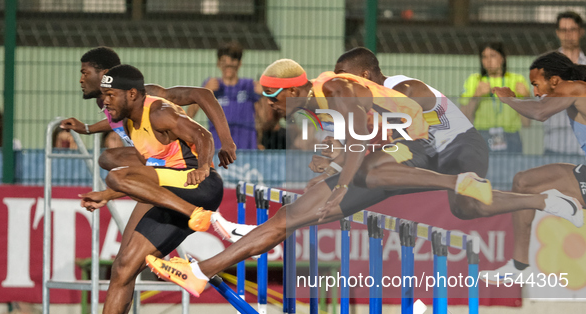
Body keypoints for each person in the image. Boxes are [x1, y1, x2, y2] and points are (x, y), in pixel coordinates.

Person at [147, 58, 582, 298]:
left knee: (383, 179)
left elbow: (362, 143)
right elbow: (347, 142)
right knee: (296, 215)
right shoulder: (321, 105)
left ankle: (475, 188)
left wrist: (339, 177)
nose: (269, 108)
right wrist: (330, 164)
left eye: (272, 100)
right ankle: (203, 271)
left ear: (293, 90)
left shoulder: (343, 88)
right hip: (405, 148)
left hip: (454, 145)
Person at [51, 65, 224, 314]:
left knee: (114, 170)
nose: (105, 102)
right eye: (102, 96)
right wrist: (107, 194)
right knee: (123, 268)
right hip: (170, 191)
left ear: (132, 93)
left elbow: (201, 133)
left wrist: (206, 163)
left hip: (198, 185)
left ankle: (197, 218)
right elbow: (151, 173)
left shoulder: (157, 109)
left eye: (110, 95)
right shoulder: (126, 122)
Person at [482, 51, 586, 282]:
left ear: (555, 80)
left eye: (536, 85)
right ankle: (518, 266)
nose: (535, 92)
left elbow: (540, 113)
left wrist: (509, 98)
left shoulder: (574, 88)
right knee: (523, 181)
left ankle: (564, 201)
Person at [60, 46, 236, 171]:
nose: (81, 80)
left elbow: (203, 95)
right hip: (156, 162)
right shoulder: (109, 102)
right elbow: (116, 122)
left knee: (114, 167)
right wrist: (87, 128)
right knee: (108, 158)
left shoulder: (147, 95)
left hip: (185, 163)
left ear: (105, 75)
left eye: (85, 73)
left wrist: (227, 142)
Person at [186, 41, 265, 150]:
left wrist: (265, 95)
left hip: (246, 148)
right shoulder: (212, 86)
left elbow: (262, 118)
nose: (228, 64)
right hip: (219, 149)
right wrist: (204, 92)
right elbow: (189, 115)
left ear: (239, 63)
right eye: (224, 60)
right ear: (218, 63)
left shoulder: (249, 86)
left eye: (232, 60)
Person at [460, 42, 530, 153]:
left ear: (502, 58)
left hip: (511, 136)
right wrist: (476, 96)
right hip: (482, 135)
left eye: (493, 56)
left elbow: (527, 123)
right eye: (484, 57)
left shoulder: (516, 80)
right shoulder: (474, 80)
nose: (488, 60)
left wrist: (525, 98)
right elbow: (464, 118)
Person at [542, 11, 586, 155]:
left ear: (581, 32)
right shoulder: (547, 66)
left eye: (572, 30)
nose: (568, 34)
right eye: (563, 30)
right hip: (555, 144)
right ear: (557, 33)